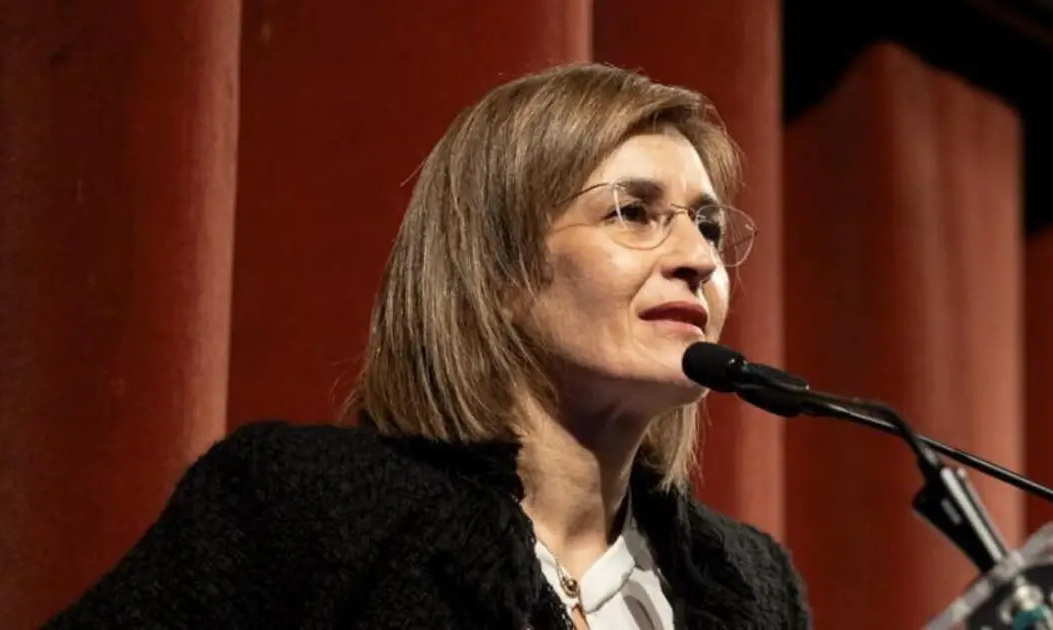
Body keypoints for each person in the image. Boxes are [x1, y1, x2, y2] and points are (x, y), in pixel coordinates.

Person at [45, 63, 810, 630]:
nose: (699, 258)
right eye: (634, 213)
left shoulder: (750, 583)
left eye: (708, 225)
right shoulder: (306, 510)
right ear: (498, 268)